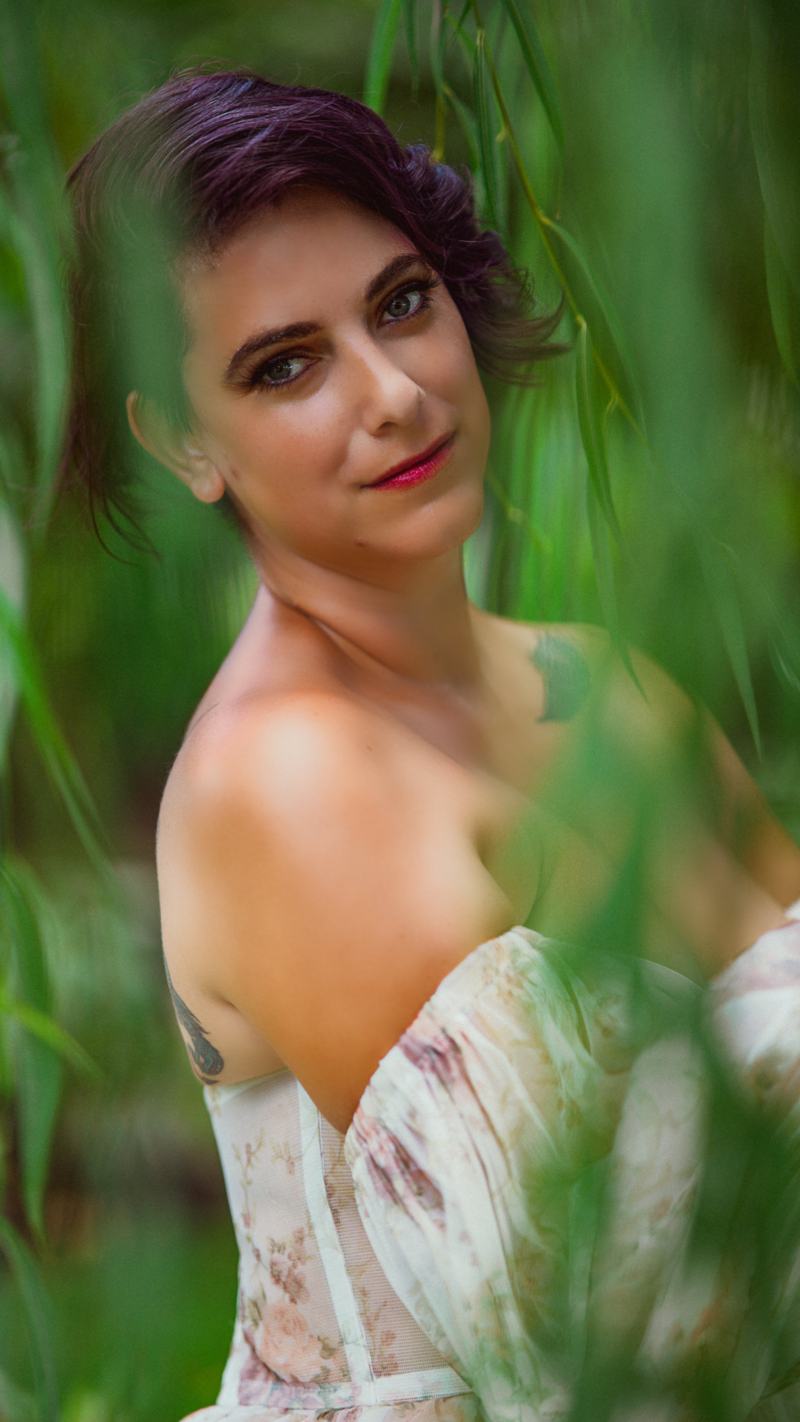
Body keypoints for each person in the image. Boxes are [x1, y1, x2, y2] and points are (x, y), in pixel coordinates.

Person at [61, 70, 800, 1422]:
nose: (395, 393)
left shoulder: (608, 683)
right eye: (286, 365)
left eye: (402, 303)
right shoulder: (285, 786)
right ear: (181, 439)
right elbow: (612, 1332)